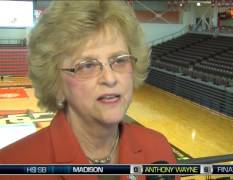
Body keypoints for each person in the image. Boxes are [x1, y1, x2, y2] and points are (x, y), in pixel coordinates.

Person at [0, 1, 177, 180]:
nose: (110, 78)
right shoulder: (11, 167)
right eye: (88, 65)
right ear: (56, 84)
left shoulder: (157, 149)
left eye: (119, 60)